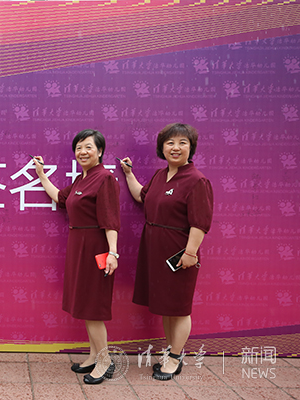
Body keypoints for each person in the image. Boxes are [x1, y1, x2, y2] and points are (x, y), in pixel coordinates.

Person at [119, 123, 213, 381]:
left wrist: (190, 253)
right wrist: (129, 174)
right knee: (166, 307)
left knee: (179, 308)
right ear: (162, 148)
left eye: (183, 142)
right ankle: (172, 351)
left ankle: (175, 358)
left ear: (191, 148)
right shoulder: (160, 175)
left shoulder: (197, 180)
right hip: (155, 249)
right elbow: (142, 196)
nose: (176, 147)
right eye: (170, 143)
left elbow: (200, 222)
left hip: (180, 252)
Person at [33, 129, 120, 385]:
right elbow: (60, 198)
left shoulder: (105, 178)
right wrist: (41, 175)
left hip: (96, 248)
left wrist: (112, 252)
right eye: (79, 147)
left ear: (100, 151)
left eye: (88, 147)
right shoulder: (82, 179)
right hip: (78, 246)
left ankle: (105, 360)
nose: (83, 152)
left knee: (93, 308)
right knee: (84, 305)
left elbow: (111, 220)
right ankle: (94, 356)